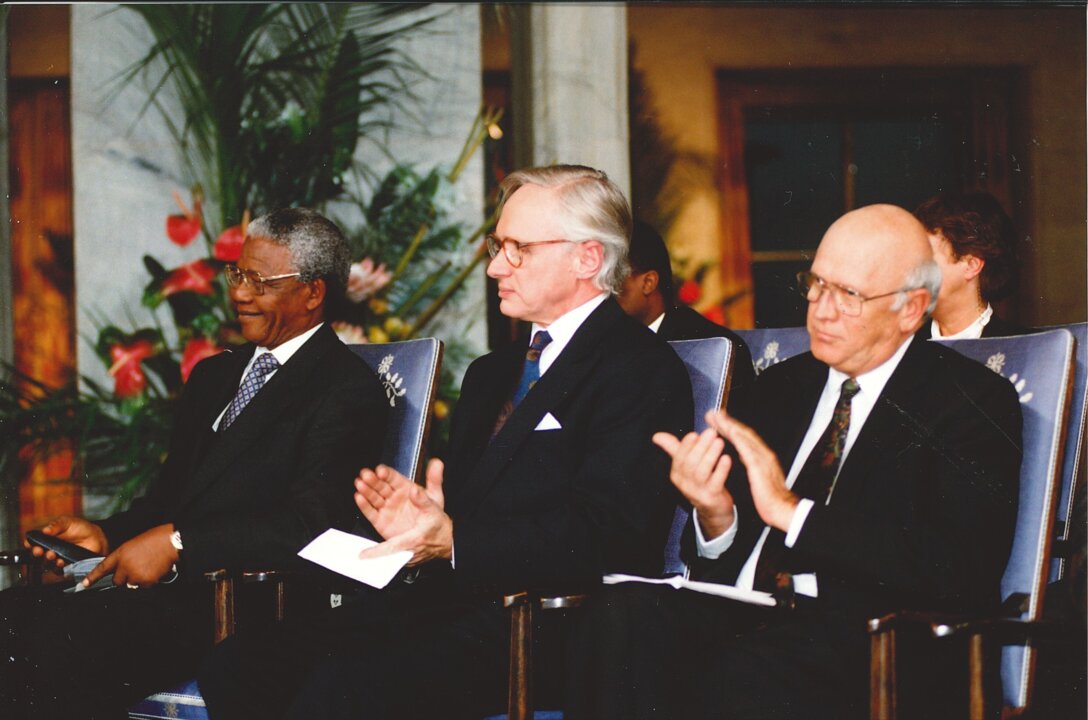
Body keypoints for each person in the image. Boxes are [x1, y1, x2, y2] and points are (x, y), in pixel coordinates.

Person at [197, 165, 695, 720]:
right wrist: (426, 518)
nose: (494, 266)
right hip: (451, 601)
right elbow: (462, 512)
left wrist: (458, 540)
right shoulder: (490, 372)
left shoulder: (638, 369)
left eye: (517, 249)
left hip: (546, 621)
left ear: (587, 259)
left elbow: (611, 532)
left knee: (346, 688)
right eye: (496, 245)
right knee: (242, 661)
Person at [567, 204, 1022, 720]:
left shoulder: (970, 401)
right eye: (816, 284)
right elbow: (724, 553)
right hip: (748, 617)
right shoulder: (784, 386)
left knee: (729, 674)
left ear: (912, 308)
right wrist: (716, 512)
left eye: (848, 295)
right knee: (616, 616)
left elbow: (959, 569)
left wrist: (793, 512)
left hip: (875, 642)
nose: (821, 310)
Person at [0, 208, 389, 720]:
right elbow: (168, 502)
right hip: (163, 597)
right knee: (13, 614)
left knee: (55, 647)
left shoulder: (345, 390)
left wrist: (181, 543)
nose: (240, 294)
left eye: (260, 281)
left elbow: (308, 524)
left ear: (313, 293)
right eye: (238, 274)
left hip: (241, 606)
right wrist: (105, 534)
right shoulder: (214, 375)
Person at [617, 219, 755, 411]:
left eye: (612, 277)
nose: (600, 289)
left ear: (648, 282)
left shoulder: (711, 345)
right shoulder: (608, 340)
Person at [914, 190, 1026, 338]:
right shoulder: (897, 348)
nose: (910, 267)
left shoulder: (1022, 348)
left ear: (972, 265)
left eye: (925, 255)